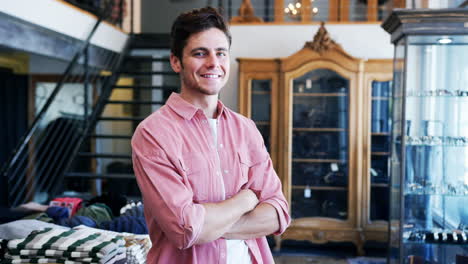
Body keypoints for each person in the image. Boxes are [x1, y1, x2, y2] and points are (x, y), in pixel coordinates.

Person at [131, 7, 290, 264]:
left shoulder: (245, 129)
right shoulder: (153, 134)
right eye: (199, 53)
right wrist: (247, 198)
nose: (213, 63)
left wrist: (206, 226)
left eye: (220, 53)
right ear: (175, 61)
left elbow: (278, 215)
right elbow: (184, 229)